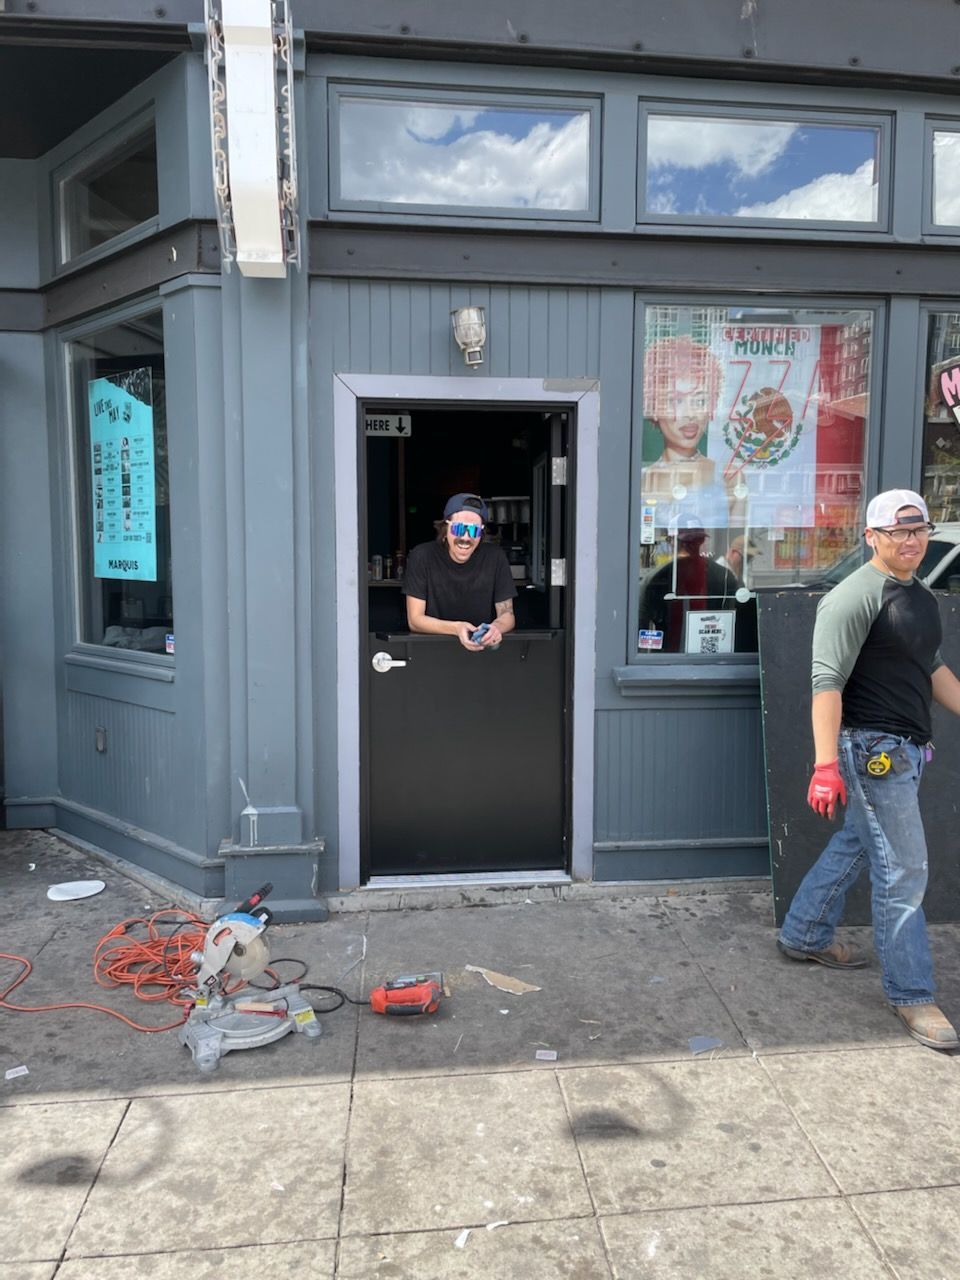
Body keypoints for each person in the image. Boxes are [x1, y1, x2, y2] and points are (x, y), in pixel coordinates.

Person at [777, 489, 960, 1050]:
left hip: (907, 748)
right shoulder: (853, 597)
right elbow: (826, 685)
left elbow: (929, 665)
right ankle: (912, 994)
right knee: (904, 872)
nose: (912, 541)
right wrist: (825, 766)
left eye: (920, 530)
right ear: (872, 537)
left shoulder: (918, 595)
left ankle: (804, 933)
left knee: (859, 841)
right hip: (872, 751)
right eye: (899, 532)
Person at [403, 492, 517, 651]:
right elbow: (415, 620)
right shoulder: (422, 556)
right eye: (459, 528)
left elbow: (507, 614)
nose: (465, 537)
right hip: (431, 651)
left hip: (484, 652)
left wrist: (495, 628)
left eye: (474, 530)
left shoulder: (495, 557)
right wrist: (457, 628)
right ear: (445, 528)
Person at [641, 335, 730, 528]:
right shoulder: (637, 480)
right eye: (676, 401)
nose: (690, 413)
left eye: (700, 401)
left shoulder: (729, 478)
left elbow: (736, 538)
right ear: (653, 408)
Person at [638, 522, 740, 652]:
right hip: (712, 655)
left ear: (671, 541)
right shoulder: (723, 576)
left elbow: (640, 624)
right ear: (702, 540)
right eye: (688, 542)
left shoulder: (655, 577)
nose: (690, 547)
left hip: (669, 657)